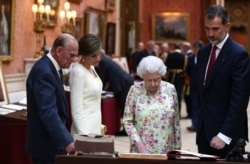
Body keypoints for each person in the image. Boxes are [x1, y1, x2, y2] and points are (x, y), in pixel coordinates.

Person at [196, 5, 250, 158]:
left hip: (228, 137)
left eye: (215, 29)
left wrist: (224, 135)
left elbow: (239, 100)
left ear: (227, 26)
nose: (210, 34)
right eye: (207, 29)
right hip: (204, 134)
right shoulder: (203, 52)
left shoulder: (238, 54)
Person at [26, 33, 78, 163]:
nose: (74, 59)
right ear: (59, 50)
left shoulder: (53, 68)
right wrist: (66, 141)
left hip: (50, 142)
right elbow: (48, 112)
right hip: (45, 145)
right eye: (71, 55)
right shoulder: (44, 71)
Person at [123, 56, 181, 154]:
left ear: (162, 75)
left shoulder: (170, 89)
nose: (153, 84)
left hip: (166, 149)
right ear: (142, 77)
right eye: (149, 80)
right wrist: (137, 142)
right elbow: (127, 121)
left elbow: (175, 122)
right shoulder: (135, 90)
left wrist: (178, 149)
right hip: (141, 149)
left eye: (157, 79)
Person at [69, 34, 103, 136]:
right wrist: (84, 136)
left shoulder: (91, 67)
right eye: (93, 55)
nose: (97, 58)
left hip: (95, 124)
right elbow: (76, 109)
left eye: (99, 54)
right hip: (84, 128)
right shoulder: (78, 72)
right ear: (83, 54)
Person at [95, 51, 134, 135]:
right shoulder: (106, 60)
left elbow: (101, 79)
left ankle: (127, 131)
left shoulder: (103, 62)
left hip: (124, 83)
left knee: (125, 108)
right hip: (124, 82)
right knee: (124, 107)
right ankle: (126, 129)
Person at [186, 40, 204, 132]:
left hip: (204, 86)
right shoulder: (190, 58)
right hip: (193, 85)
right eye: (194, 48)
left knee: (203, 105)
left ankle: (202, 125)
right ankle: (194, 124)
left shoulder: (206, 58)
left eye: (197, 48)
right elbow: (188, 70)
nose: (195, 50)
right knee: (194, 105)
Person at [165, 43, 187, 115]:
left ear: (174, 48)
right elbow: (185, 67)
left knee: (170, 94)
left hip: (171, 77)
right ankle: (178, 113)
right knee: (179, 95)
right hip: (179, 77)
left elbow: (166, 65)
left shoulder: (170, 55)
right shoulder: (184, 56)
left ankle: (170, 113)